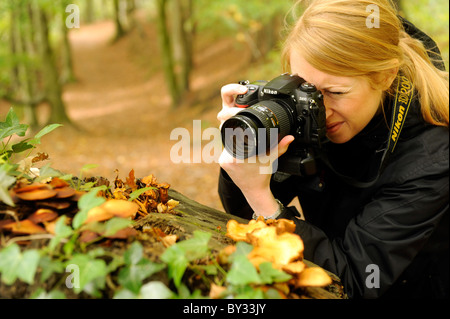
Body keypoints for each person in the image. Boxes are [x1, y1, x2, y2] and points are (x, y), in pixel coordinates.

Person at [217, 0, 448, 299]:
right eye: (306, 89)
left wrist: (267, 206)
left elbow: (352, 281)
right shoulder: (309, 114)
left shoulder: (432, 157)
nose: (320, 111)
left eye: (336, 93)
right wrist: (245, 149)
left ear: (386, 76)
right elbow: (241, 212)